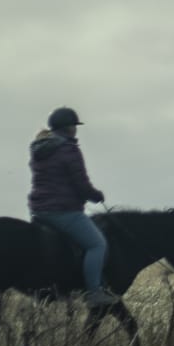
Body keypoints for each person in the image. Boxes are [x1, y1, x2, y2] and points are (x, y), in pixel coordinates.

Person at [27, 106, 117, 308]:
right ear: (69, 128)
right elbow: (81, 184)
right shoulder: (69, 150)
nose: (75, 130)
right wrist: (96, 196)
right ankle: (94, 293)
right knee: (97, 245)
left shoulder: (38, 149)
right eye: (74, 126)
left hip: (38, 211)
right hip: (63, 211)